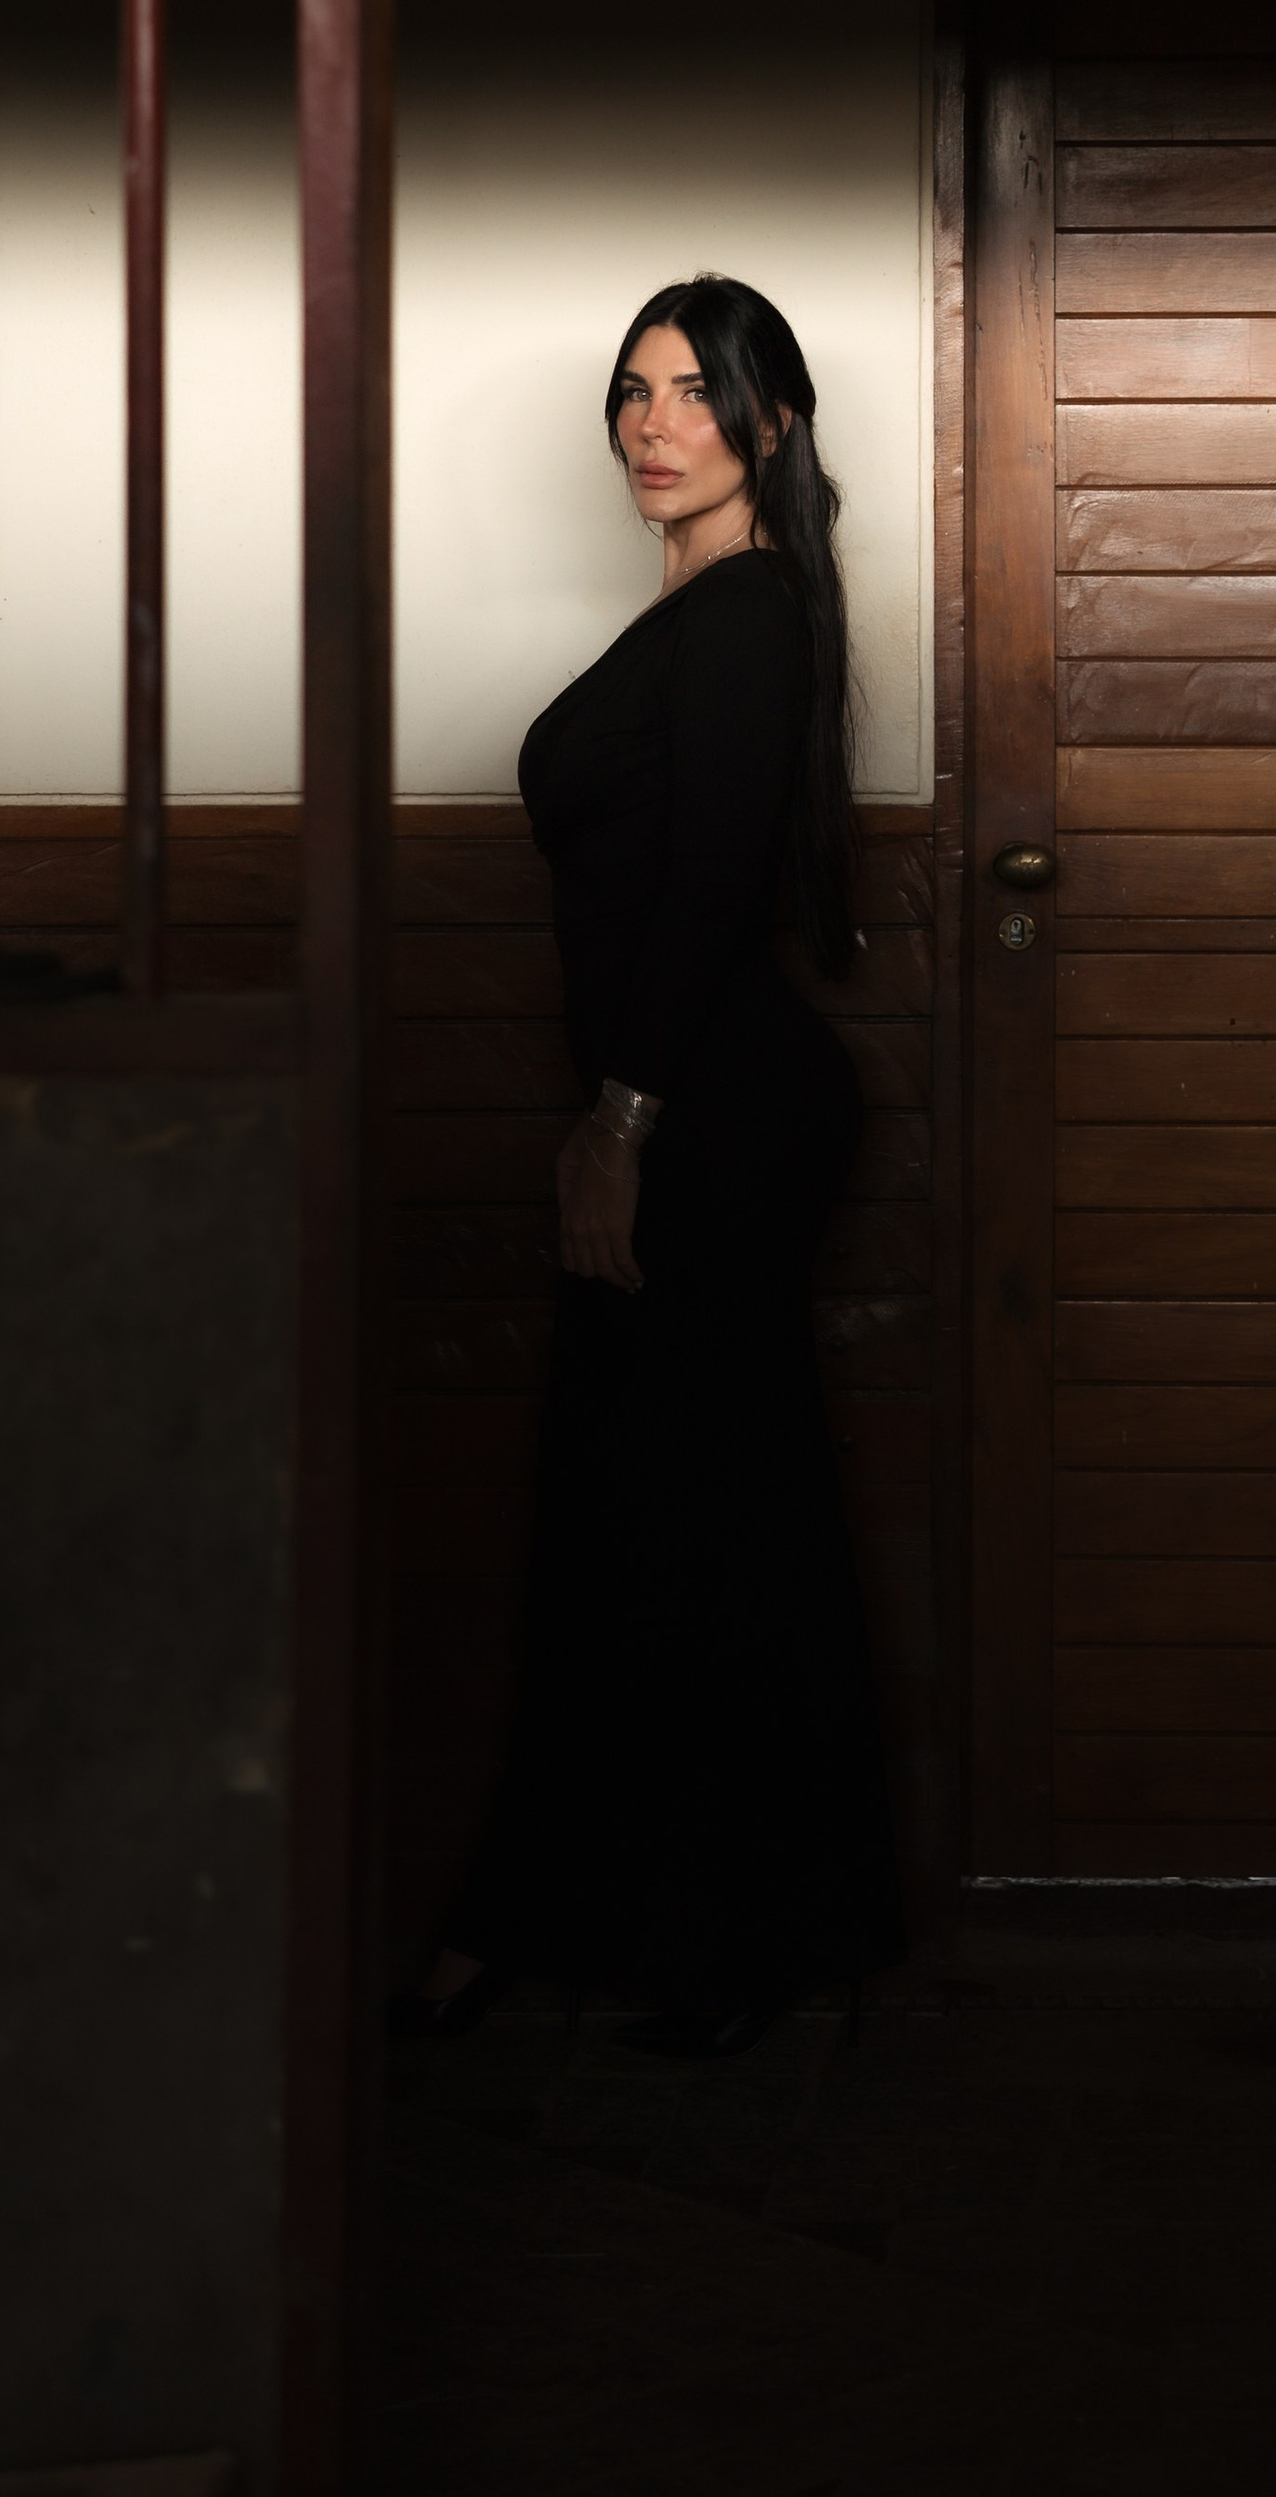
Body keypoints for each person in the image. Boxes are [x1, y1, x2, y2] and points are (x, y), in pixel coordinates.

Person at [397, 273, 903, 2057]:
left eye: (694, 390)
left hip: (712, 1116)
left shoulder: (749, 614)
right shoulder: (703, 609)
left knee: (691, 1504)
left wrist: (620, 1122)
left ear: (771, 418)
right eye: (632, 389)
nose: (652, 422)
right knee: (651, 1502)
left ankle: (733, 1933)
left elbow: (700, 899)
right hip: (687, 1102)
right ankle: (647, 1922)